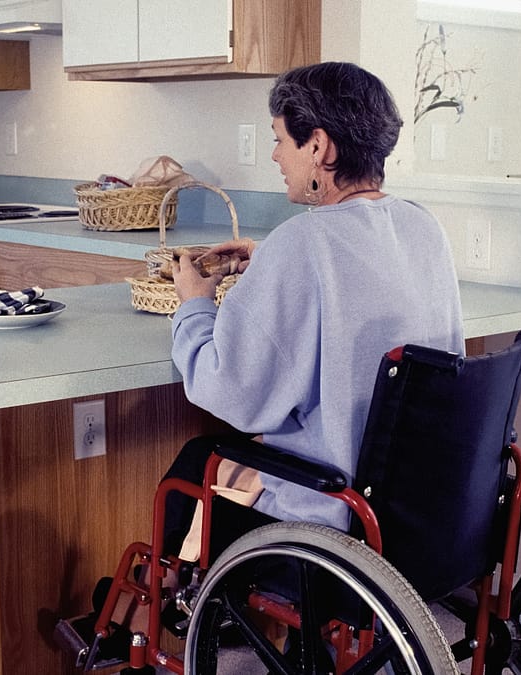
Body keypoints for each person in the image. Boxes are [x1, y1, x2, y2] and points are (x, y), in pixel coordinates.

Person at [167, 61, 464, 550]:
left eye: (281, 139)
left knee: (196, 461)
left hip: (335, 512)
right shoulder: (421, 226)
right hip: (418, 506)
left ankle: (144, 614)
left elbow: (232, 392)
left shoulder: (303, 241)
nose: (276, 156)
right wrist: (272, 267)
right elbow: (363, 291)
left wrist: (195, 306)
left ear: (319, 146)